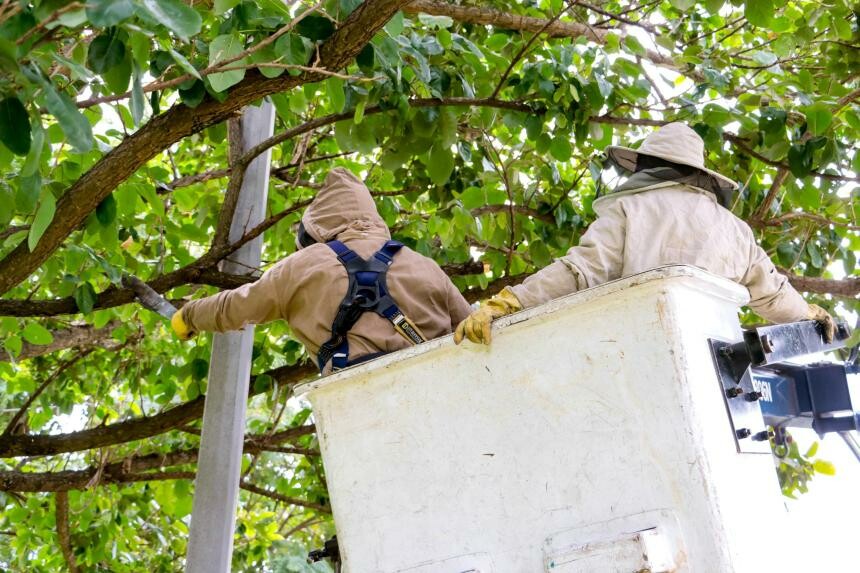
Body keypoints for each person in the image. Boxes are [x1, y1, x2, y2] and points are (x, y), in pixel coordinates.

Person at [454, 122, 835, 345]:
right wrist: (809, 312)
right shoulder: (736, 232)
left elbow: (580, 272)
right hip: (714, 360)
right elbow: (772, 293)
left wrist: (508, 302)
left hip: (632, 348)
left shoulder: (630, 208)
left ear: (650, 165)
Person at [172, 167, 472, 372]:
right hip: (440, 383)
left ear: (316, 228)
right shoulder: (425, 266)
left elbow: (235, 306)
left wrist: (189, 316)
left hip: (358, 394)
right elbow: (472, 327)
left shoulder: (302, 266)